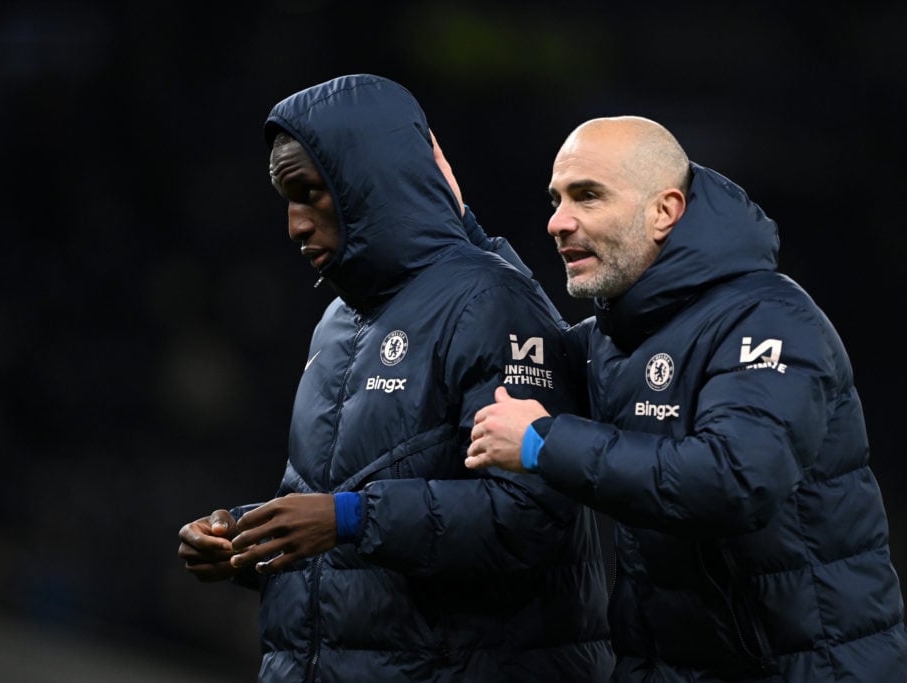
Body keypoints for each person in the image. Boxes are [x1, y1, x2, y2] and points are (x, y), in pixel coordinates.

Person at [177, 74, 613, 682]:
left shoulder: (491, 303)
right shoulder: (335, 323)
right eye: (286, 199)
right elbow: (335, 506)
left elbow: (531, 517)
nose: (295, 225)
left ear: (368, 185)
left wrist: (349, 517)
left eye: (310, 193)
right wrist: (248, 536)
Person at [465, 116, 907, 681]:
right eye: (555, 200)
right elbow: (532, 342)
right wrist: (456, 229)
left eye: (587, 196)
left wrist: (541, 444)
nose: (558, 222)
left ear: (664, 211)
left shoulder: (770, 318)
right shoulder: (617, 336)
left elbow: (734, 479)